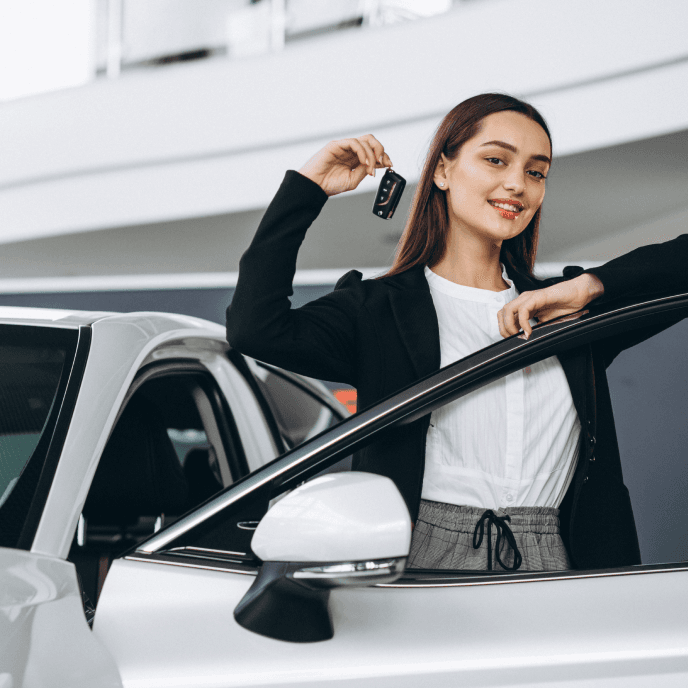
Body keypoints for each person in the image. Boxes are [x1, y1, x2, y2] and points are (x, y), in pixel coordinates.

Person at [226, 93, 688, 572]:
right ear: (443, 171)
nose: (517, 184)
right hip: (421, 555)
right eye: (495, 160)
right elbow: (255, 329)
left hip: (558, 556)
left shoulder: (565, 308)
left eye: (536, 172)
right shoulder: (379, 311)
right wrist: (307, 189)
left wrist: (590, 287)